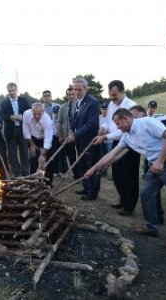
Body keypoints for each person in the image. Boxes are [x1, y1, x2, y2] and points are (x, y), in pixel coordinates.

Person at [86, 108, 166, 250]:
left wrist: (160, 160)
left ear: (126, 119)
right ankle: (151, 228)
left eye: (118, 123)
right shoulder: (127, 136)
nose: (117, 127)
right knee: (146, 194)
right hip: (155, 166)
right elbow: (111, 154)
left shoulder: (147, 122)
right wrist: (93, 169)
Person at [94, 80, 140, 215]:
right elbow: (109, 122)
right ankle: (123, 199)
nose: (112, 98)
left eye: (115, 95)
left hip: (131, 144)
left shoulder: (131, 106)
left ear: (122, 92)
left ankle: (129, 206)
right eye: (110, 95)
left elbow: (124, 129)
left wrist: (106, 137)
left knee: (129, 175)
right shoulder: (111, 104)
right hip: (116, 141)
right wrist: (103, 128)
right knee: (117, 173)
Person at [67, 77, 100, 200]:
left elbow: (92, 124)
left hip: (90, 140)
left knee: (91, 165)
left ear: (86, 88)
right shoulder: (75, 102)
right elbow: (72, 119)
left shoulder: (93, 103)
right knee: (82, 164)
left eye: (79, 89)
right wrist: (70, 130)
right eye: (74, 89)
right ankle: (86, 187)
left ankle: (92, 192)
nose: (76, 92)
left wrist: (75, 135)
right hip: (79, 140)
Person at [0, 82, 31, 177]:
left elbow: (29, 111)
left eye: (13, 90)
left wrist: (23, 116)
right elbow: (1, 115)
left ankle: (25, 172)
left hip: (22, 130)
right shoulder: (4, 103)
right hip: (10, 131)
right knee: (12, 153)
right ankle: (16, 173)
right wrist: (10, 117)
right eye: (9, 91)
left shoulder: (23, 100)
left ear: (16, 90)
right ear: (7, 91)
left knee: (24, 152)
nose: (11, 92)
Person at [22, 103, 55, 183]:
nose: (36, 116)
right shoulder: (26, 114)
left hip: (44, 137)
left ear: (43, 112)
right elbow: (26, 130)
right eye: (34, 114)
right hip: (32, 138)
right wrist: (32, 144)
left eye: (39, 114)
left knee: (49, 160)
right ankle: (32, 181)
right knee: (33, 159)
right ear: (31, 111)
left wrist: (43, 154)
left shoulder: (47, 120)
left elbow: (48, 139)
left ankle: (48, 182)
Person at [58, 86, 79, 179]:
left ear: (76, 94)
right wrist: (60, 136)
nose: (71, 96)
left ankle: (83, 173)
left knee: (81, 156)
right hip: (68, 137)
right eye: (69, 95)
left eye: (72, 94)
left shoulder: (81, 105)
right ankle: (77, 175)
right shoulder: (62, 107)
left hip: (79, 136)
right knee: (71, 157)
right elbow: (59, 122)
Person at [98, 102, 112, 177]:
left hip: (109, 140)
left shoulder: (110, 117)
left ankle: (106, 170)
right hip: (101, 139)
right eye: (102, 109)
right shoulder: (99, 117)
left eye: (105, 109)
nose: (104, 110)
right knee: (101, 155)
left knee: (109, 155)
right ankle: (102, 170)